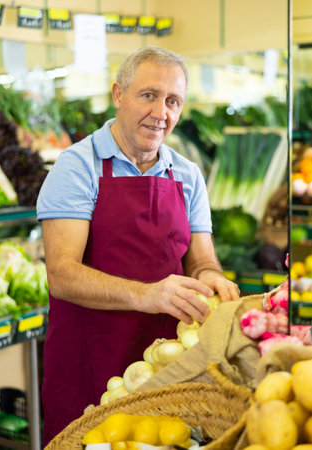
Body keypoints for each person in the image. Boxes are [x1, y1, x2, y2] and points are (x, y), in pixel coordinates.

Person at [37, 46, 240, 446]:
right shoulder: (78, 167)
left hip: (167, 369)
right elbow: (61, 275)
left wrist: (214, 281)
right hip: (89, 363)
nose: (161, 112)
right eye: (148, 95)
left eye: (173, 101)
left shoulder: (187, 174)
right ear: (118, 94)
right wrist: (149, 294)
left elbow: (202, 259)